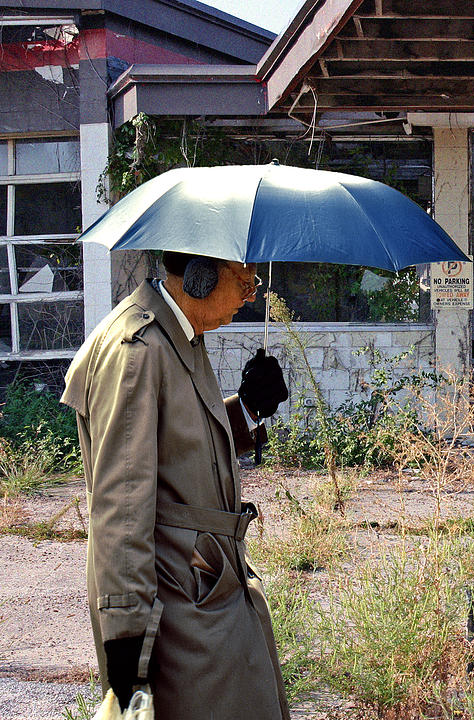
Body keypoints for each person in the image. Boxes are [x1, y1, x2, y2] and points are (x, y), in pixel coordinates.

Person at [61, 252, 290, 719]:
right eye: (245, 281)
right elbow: (121, 510)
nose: (251, 295)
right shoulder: (136, 352)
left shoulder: (180, 336)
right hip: (179, 605)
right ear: (201, 277)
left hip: (204, 584)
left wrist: (246, 408)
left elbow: (181, 445)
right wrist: (128, 657)